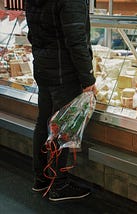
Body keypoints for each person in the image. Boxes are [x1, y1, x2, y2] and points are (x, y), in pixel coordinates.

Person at [26, 0, 97, 201]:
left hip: (44, 67)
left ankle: (41, 179)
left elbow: (33, 34)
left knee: (44, 123)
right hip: (64, 73)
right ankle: (58, 185)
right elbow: (76, 40)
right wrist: (88, 78)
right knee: (61, 128)